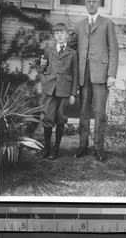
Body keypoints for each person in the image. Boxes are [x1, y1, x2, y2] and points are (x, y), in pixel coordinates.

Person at [69, 0, 119, 161]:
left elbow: (114, 50)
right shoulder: (80, 25)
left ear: (99, 4)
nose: (91, 4)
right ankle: (82, 146)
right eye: (88, 1)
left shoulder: (107, 24)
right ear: (85, 4)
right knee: (83, 111)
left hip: (101, 74)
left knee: (99, 112)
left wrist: (111, 74)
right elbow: (70, 48)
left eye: (94, 2)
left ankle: (99, 148)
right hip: (84, 73)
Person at [40, 23, 78, 160]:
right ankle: (46, 148)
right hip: (49, 91)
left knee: (60, 119)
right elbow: (42, 70)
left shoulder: (72, 53)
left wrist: (73, 93)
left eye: (62, 32)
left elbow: (75, 74)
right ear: (54, 36)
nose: (59, 35)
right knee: (47, 118)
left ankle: (55, 150)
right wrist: (45, 83)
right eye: (56, 33)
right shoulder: (48, 51)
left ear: (67, 35)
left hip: (64, 91)